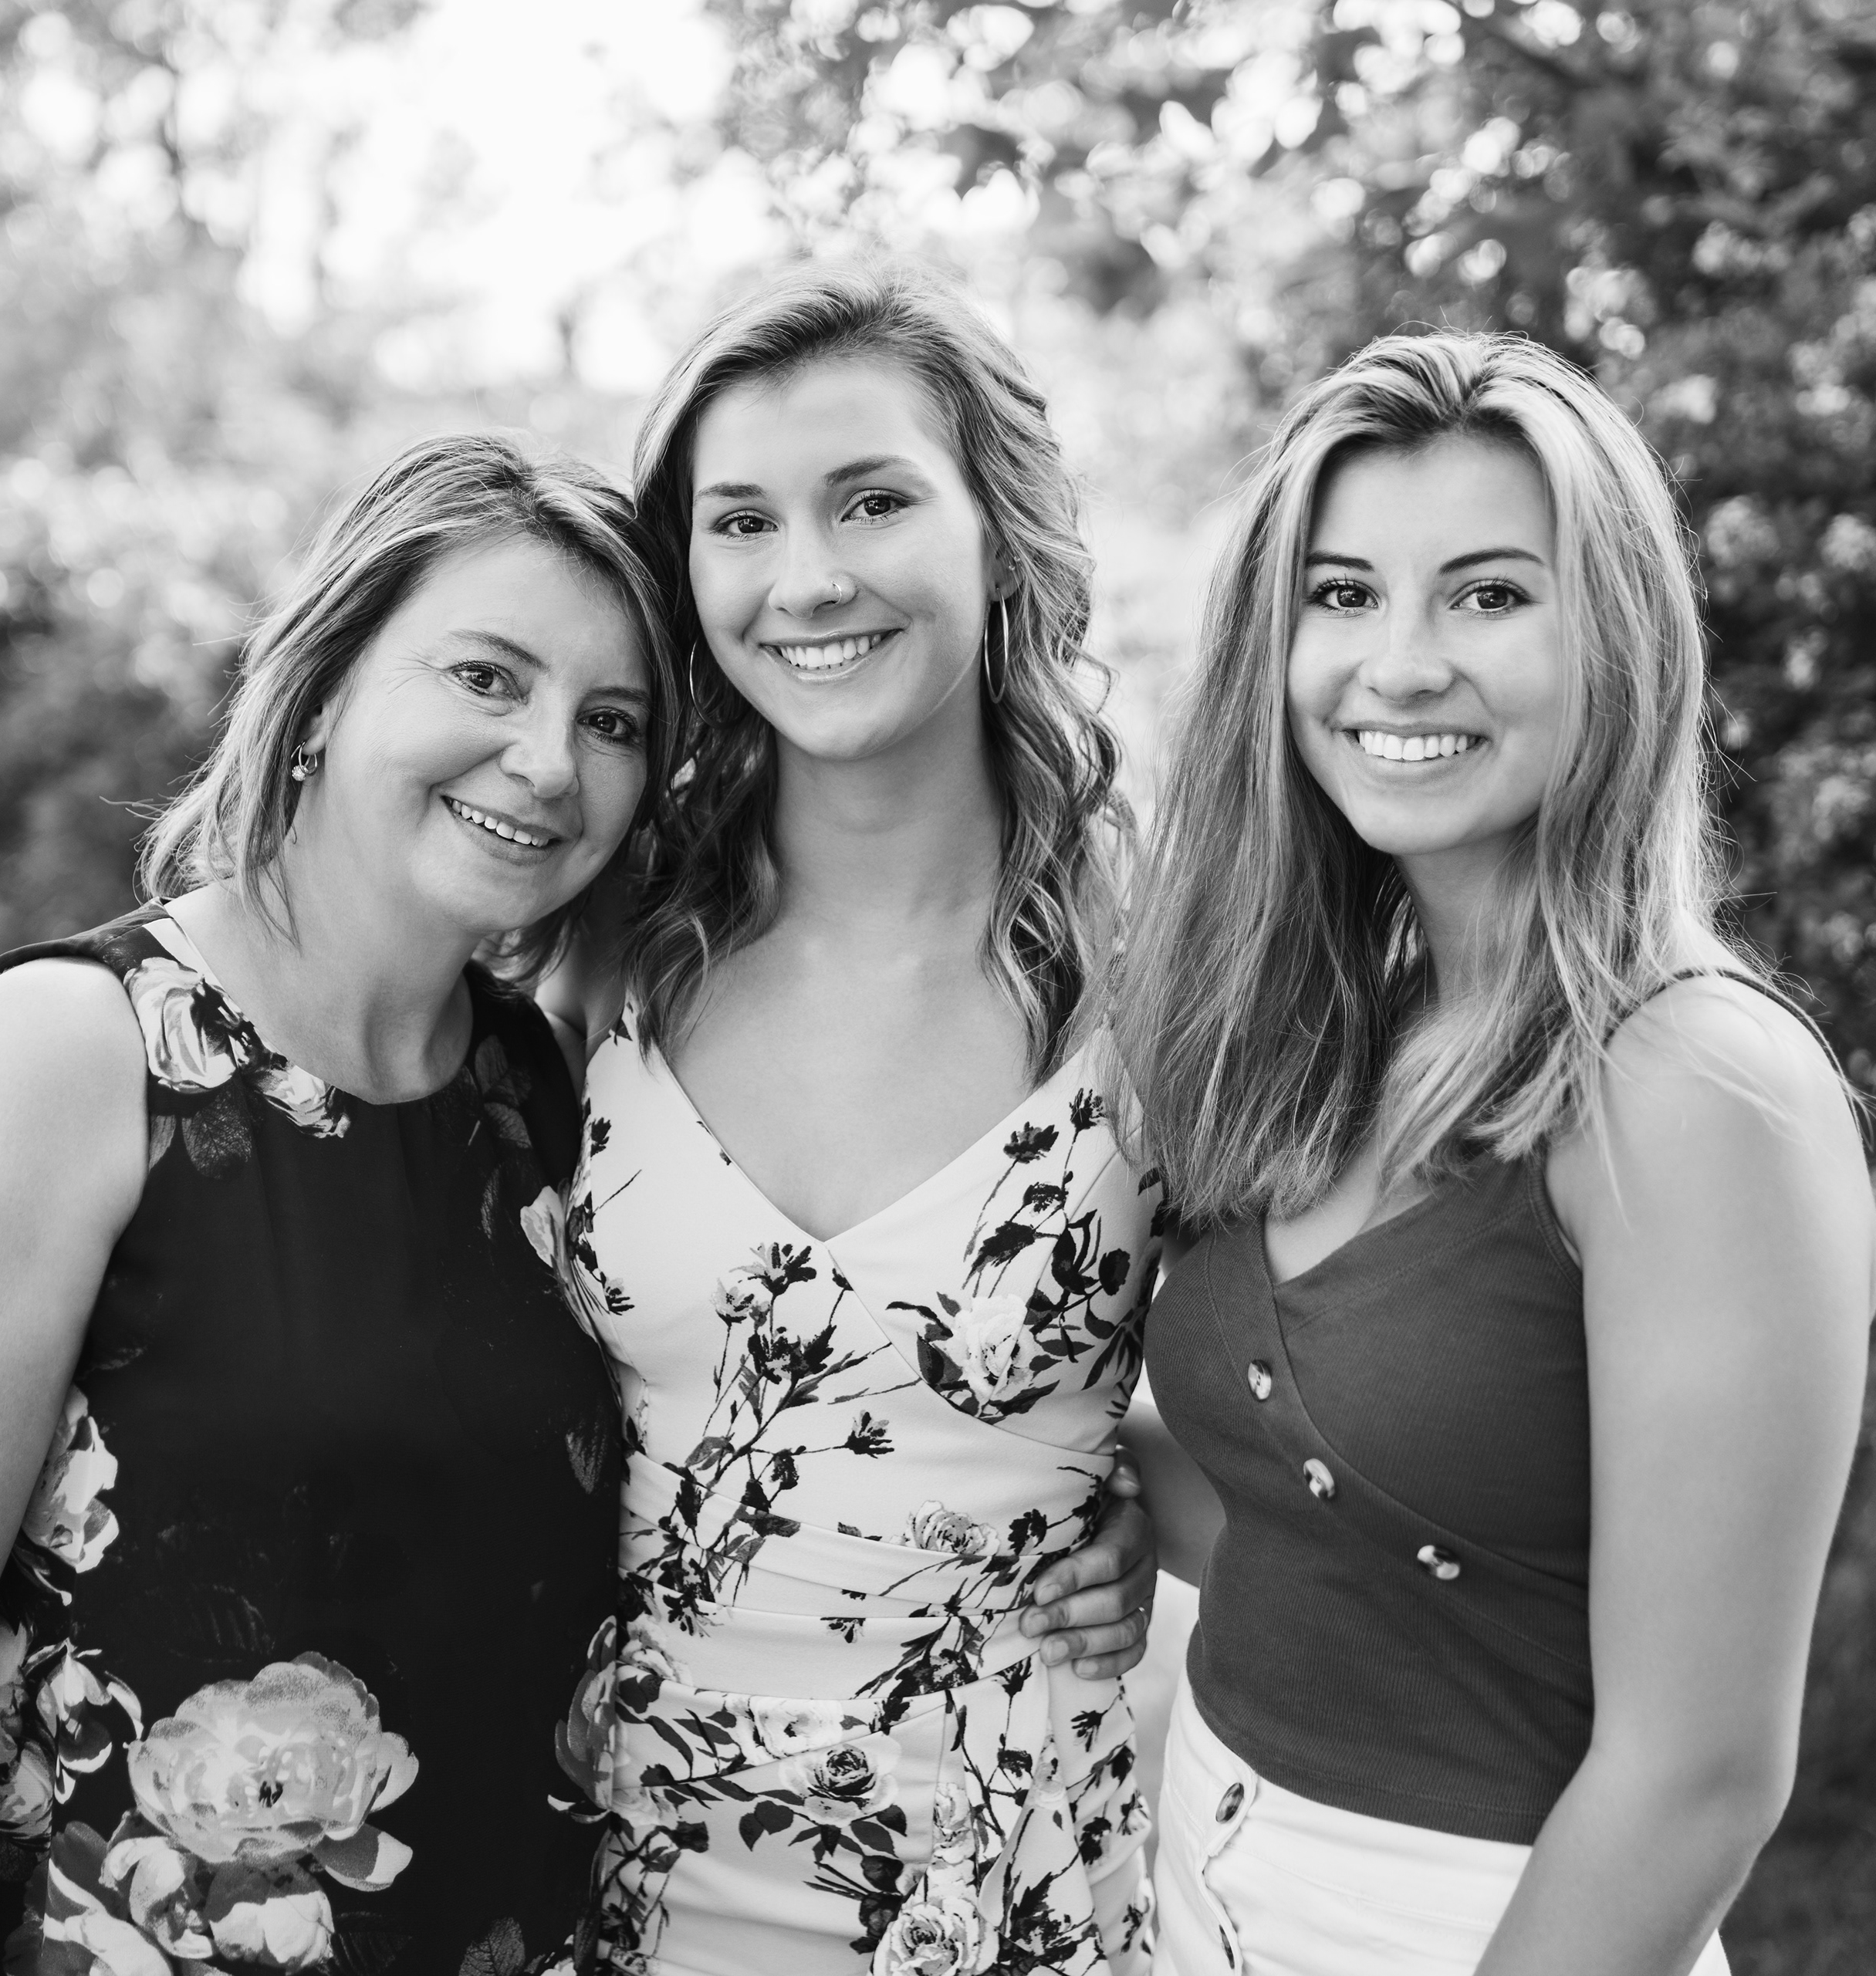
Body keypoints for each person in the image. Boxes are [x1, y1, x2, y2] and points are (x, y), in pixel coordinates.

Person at [0, 433, 676, 1976]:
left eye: (611, 722)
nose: (548, 760)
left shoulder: (547, 1093)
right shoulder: (75, 1055)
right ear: (321, 693)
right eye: (486, 677)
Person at [1116, 331, 1876, 1975]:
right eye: (1342, 595)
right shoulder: (1340, 1031)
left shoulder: (1696, 1091)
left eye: (1488, 595)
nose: (1399, 665)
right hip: (1198, 1894)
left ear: (1617, 636)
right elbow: (1343, 1521)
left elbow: (1696, 1783)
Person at [546, 262, 1164, 1976]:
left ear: (998, 531)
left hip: (1014, 1882)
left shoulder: (1161, 970)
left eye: (873, 501)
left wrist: (1150, 1498)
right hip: (633, 1881)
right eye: (741, 522)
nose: (806, 577)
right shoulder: (603, 944)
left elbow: (1300, 1378)